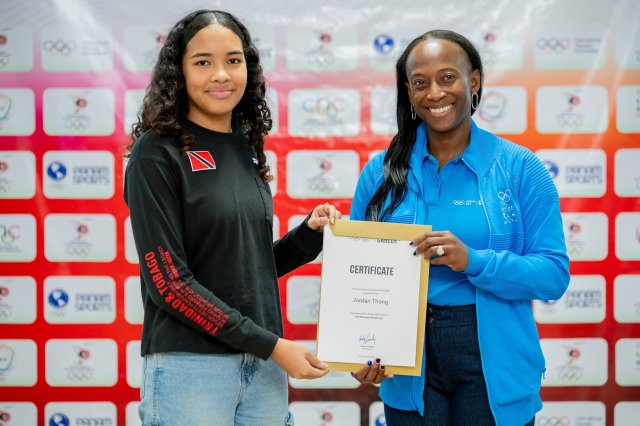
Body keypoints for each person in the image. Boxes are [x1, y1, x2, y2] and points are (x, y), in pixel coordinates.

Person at [124, 10, 341, 426]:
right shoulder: (156, 153)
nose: (221, 74)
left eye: (233, 60)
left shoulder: (244, 147)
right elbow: (169, 284)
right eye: (203, 62)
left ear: (248, 68)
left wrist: (307, 235)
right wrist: (272, 346)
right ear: (179, 72)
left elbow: (245, 268)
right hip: (192, 369)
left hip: (261, 366)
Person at [349, 30, 570, 425]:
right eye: (421, 83)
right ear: (409, 92)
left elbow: (553, 275)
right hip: (406, 360)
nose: (435, 93)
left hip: (494, 359)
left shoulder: (520, 168)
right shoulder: (380, 173)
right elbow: (358, 277)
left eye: (448, 77)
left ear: (475, 80)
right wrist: (358, 348)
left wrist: (473, 260)